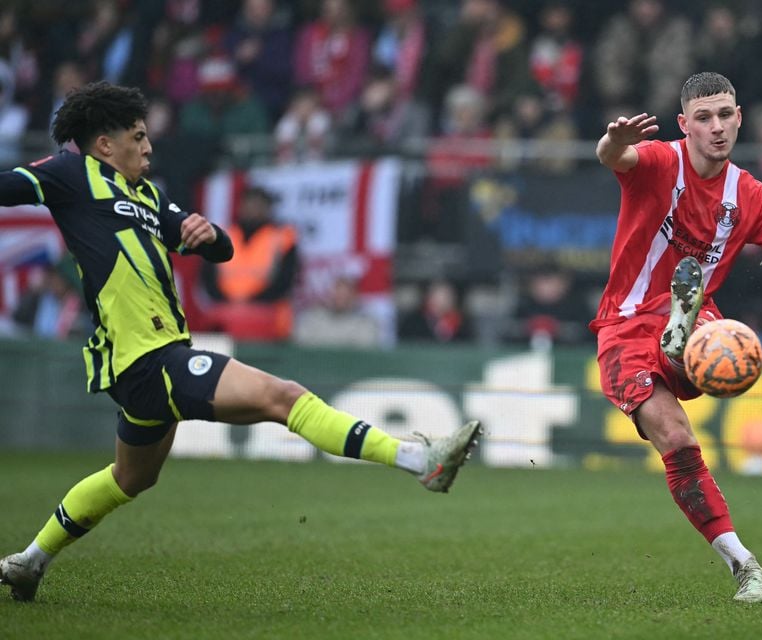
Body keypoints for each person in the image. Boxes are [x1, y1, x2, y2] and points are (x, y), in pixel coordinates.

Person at [0, 81, 483, 603]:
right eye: (138, 137)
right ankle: (419, 461)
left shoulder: (147, 196)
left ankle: (29, 561)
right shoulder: (70, 175)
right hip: (148, 360)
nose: (148, 147)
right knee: (286, 397)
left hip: (152, 362)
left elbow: (220, 249)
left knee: (130, 478)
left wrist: (210, 236)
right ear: (103, 144)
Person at [591, 72, 762, 604]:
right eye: (705, 117)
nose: (717, 127)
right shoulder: (662, 161)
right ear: (684, 124)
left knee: (733, 360)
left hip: (697, 319)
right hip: (623, 323)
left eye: (726, 115)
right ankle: (744, 563)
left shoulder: (751, 195)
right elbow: (614, 157)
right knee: (678, 440)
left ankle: (682, 338)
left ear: (740, 117)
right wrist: (617, 139)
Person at [200, 183, 298, 341]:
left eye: (259, 205)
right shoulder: (223, 234)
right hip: (225, 315)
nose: (253, 209)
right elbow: (207, 277)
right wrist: (231, 305)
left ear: (268, 208)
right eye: (249, 204)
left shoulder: (282, 237)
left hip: (267, 315)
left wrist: (249, 305)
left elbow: (285, 281)